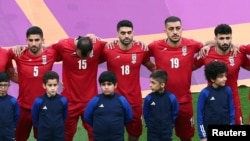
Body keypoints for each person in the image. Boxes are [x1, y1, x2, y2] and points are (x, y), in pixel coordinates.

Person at [148, 16, 205, 141]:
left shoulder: (192, 44)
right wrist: (154, 69)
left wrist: (209, 44)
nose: (175, 32)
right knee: (161, 137)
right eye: (171, 29)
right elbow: (140, 54)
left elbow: (207, 48)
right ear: (165, 31)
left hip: (184, 102)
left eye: (178, 28)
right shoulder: (155, 46)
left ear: (182, 29)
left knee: (186, 137)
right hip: (162, 101)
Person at [102, 19, 155, 141]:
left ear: (133, 33)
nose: (126, 35)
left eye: (129, 32)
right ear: (117, 34)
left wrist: (166, 80)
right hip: (114, 101)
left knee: (135, 133)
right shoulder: (108, 49)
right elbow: (91, 56)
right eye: (123, 33)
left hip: (134, 100)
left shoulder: (141, 49)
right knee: (114, 133)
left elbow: (152, 67)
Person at [8, 26, 61, 141]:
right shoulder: (18, 54)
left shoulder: (51, 54)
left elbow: (68, 49)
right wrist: (18, 77)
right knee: (18, 138)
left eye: (37, 40)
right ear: (26, 41)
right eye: (30, 40)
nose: (34, 43)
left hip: (44, 108)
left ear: (43, 40)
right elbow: (6, 57)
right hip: (23, 108)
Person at [193, 24, 250, 125]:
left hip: (233, 102)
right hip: (213, 102)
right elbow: (189, 67)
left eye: (228, 38)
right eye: (221, 38)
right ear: (215, 39)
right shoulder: (206, 53)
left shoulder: (238, 53)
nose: (225, 42)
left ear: (231, 38)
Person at [84, 71, 133, 141]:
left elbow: (129, 117)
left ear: (115, 85)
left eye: (109, 84)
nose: (106, 87)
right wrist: (97, 125)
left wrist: (119, 124)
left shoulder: (122, 100)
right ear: (100, 85)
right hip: (99, 138)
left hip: (117, 138)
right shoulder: (95, 100)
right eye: (103, 84)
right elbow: (87, 117)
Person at [197, 61, 235, 140]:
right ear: (212, 78)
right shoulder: (205, 93)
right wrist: (203, 136)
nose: (225, 78)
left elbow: (231, 112)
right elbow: (199, 116)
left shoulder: (228, 90)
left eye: (225, 75)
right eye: (221, 76)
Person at [31, 71, 68, 141]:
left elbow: (64, 116)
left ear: (58, 85)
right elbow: (35, 118)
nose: (53, 88)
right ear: (44, 86)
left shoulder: (63, 100)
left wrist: (58, 126)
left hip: (59, 135)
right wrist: (43, 127)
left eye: (55, 85)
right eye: (50, 85)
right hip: (43, 135)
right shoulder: (38, 101)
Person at [143, 69, 179, 141]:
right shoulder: (148, 98)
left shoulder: (171, 98)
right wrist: (149, 125)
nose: (150, 85)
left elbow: (175, 112)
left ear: (162, 85)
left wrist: (170, 125)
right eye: (150, 82)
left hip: (166, 132)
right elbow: (145, 113)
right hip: (152, 132)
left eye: (153, 83)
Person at [0, 72, 20, 140]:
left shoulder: (13, 101)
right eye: (0, 85)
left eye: (5, 85)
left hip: (9, 133)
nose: (3, 87)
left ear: (9, 85)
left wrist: (13, 127)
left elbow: (16, 116)